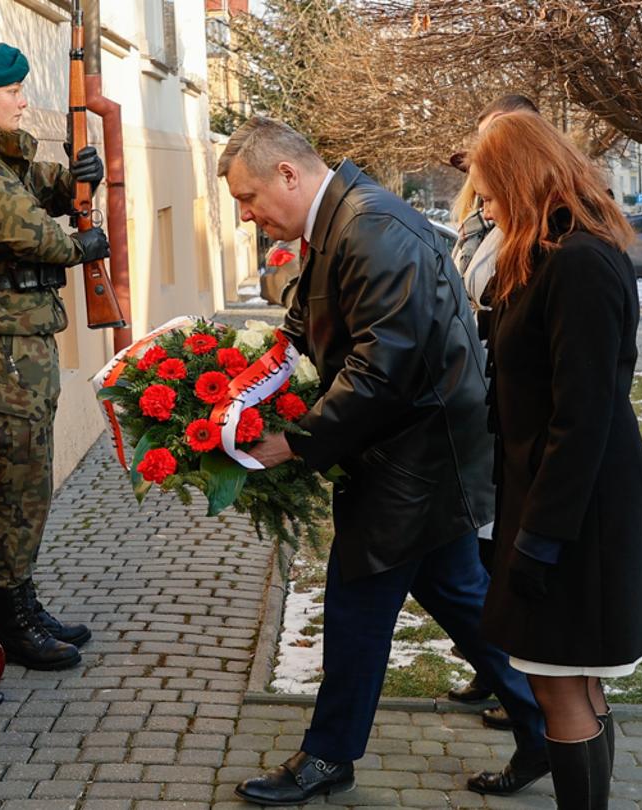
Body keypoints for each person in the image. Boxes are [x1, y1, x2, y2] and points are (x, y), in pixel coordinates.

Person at [218, 117, 550, 805]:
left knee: (357, 598)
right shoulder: (339, 218)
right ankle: (547, 726)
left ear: (288, 174)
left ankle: (329, 756)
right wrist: (253, 374)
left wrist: (297, 441)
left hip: (416, 453)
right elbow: (314, 318)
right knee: (458, 595)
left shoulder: (369, 224)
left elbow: (382, 366)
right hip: (413, 446)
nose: (246, 214)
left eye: (248, 198)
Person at [470, 111, 642, 809]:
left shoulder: (580, 259)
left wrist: (541, 540)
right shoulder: (553, 249)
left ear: (521, 180)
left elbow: (581, 414)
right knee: (576, 679)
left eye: (489, 191)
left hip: (578, 507)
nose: (483, 206)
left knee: (560, 682)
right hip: (561, 496)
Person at [0, 42, 111, 670]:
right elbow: (29, 231)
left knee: (32, 475)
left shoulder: (3, 160)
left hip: (26, 333)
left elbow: (46, 190)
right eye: (12, 92)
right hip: (1, 337)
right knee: (18, 480)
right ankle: (9, 615)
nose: (22, 101)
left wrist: (76, 176)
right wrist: (80, 244)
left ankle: (22, 598)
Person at [442, 92, 539, 728]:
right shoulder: (479, 216)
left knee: (508, 544)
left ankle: (526, 681)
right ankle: (496, 666)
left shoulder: (534, 230)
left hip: (507, 398)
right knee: (484, 542)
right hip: (479, 393)